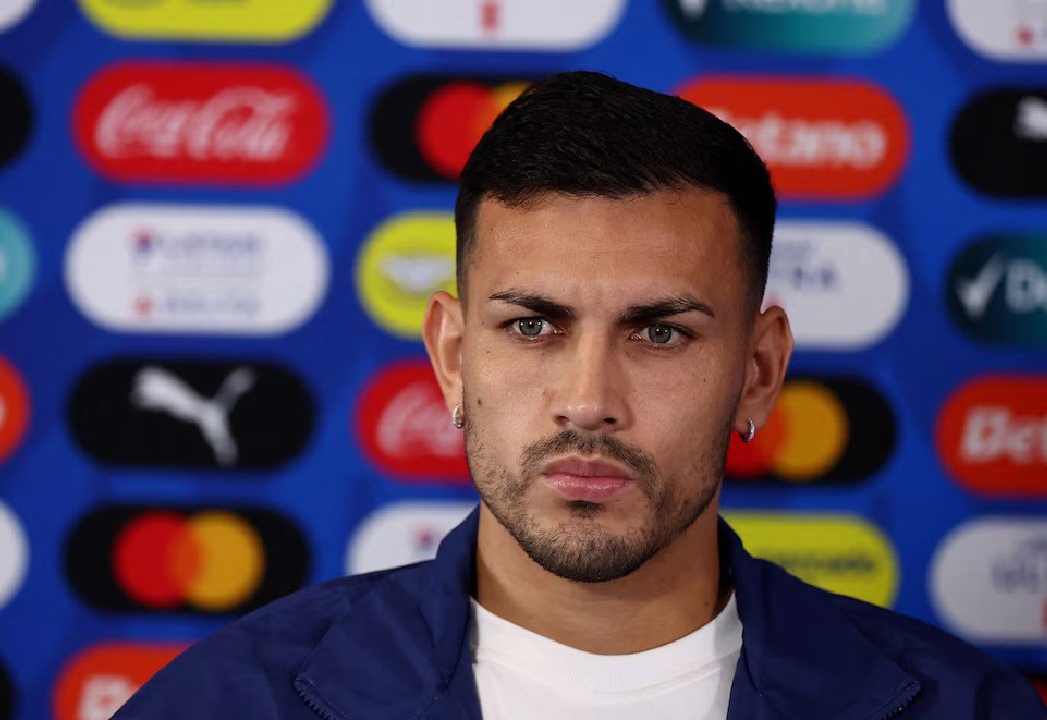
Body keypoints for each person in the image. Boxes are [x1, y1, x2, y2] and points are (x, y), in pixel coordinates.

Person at [114, 71, 1044, 719]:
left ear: (758, 373)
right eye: (532, 327)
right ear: (453, 357)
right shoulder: (222, 704)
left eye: (660, 333)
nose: (589, 400)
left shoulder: (969, 710)